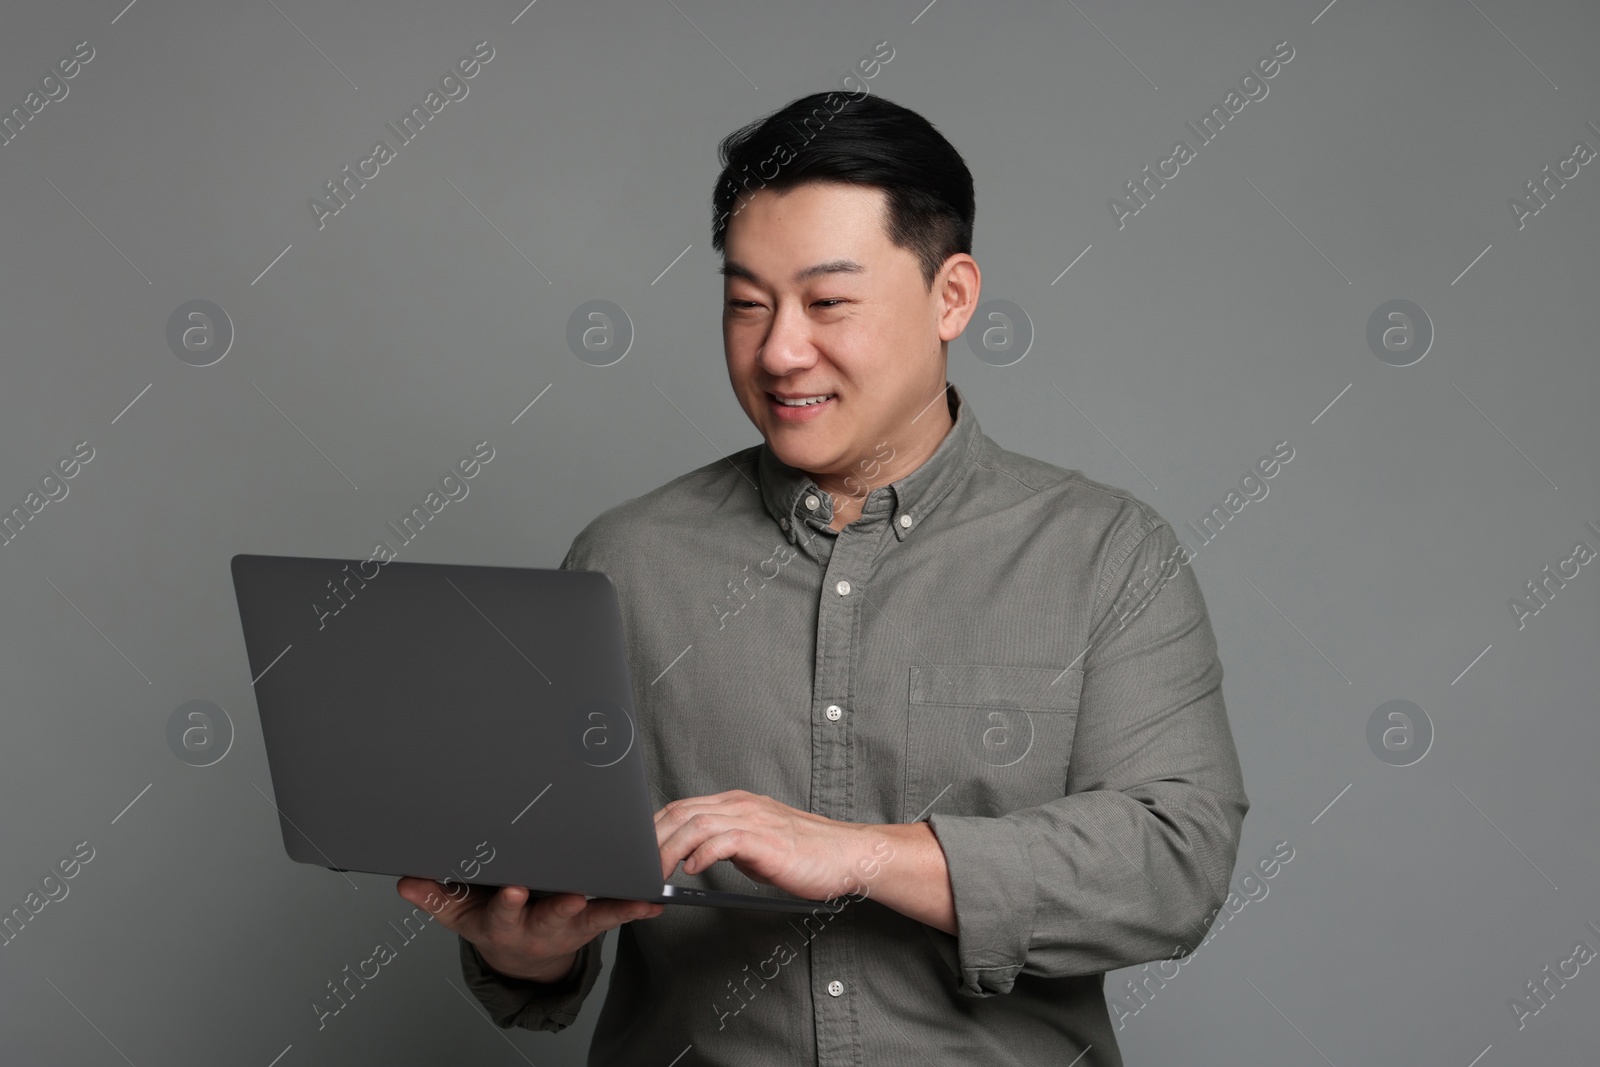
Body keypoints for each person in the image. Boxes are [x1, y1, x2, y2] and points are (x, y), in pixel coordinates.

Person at [397, 90, 1248, 1066]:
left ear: (952, 296)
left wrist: (860, 852)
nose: (777, 351)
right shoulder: (623, 561)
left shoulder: (1106, 553)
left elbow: (1174, 863)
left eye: (828, 302)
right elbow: (556, 890)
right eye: (746, 303)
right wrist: (527, 954)